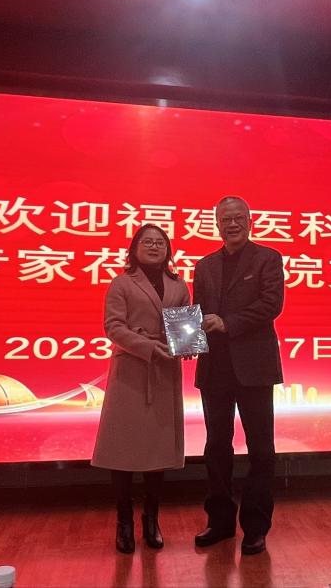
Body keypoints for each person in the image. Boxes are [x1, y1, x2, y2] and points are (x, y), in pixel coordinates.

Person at [192, 195, 285, 556]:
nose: (231, 224)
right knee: (216, 446)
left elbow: (271, 305)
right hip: (214, 367)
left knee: (261, 449)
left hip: (255, 367)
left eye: (238, 218)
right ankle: (220, 522)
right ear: (217, 224)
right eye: (225, 219)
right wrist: (187, 338)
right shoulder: (204, 265)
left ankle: (256, 527)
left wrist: (227, 323)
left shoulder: (268, 258)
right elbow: (197, 312)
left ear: (249, 221)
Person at [91, 224, 190, 553]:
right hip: (131, 374)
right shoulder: (121, 283)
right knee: (123, 451)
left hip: (164, 373)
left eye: (160, 242)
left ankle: (151, 519)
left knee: (157, 452)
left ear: (168, 250)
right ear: (134, 248)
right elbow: (113, 327)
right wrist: (147, 347)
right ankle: (123, 521)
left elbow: (183, 327)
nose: (154, 246)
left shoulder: (178, 285)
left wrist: (187, 344)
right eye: (147, 241)